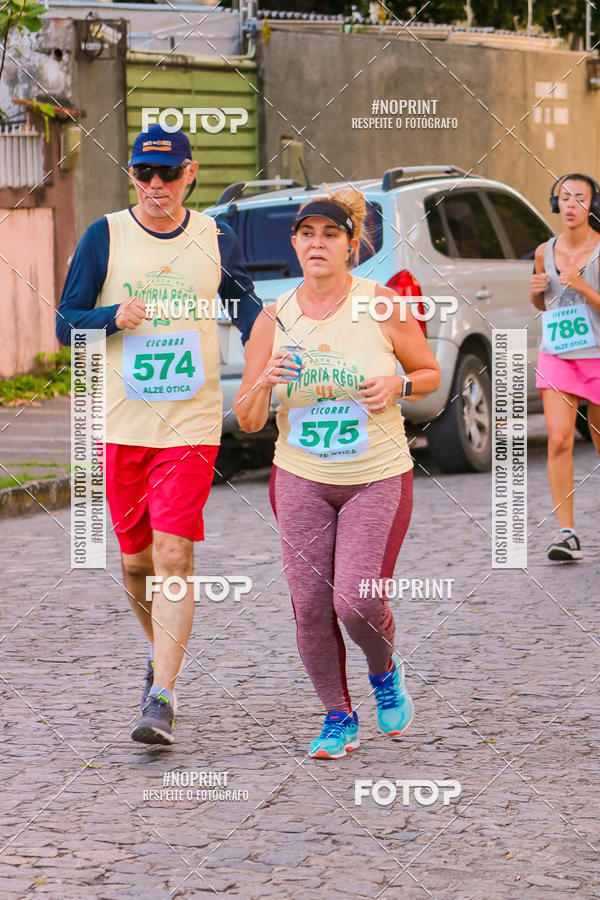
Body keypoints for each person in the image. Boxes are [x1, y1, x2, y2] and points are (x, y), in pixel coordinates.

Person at [56, 125, 262, 745]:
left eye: (167, 175)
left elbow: (248, 303)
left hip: (190, 424)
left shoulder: (213, 238)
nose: (155, 186)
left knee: (175, 555)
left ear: (189, 175)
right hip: (120, 422)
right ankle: (159, 657)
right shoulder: (105, 235)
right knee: (136, 564)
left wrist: (262, 360)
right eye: (144, 175)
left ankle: (163, 696)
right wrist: (111, 318)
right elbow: (67, 324)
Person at [234, 188, 440, 758]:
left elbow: (429, 373)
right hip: (300, 477)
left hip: (376, 475)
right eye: (307, 234)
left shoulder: (381, 304)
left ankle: (384, 671)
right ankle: (337, 716)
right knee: (309, 605)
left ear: (351, 245)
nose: (318, 244)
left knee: (355, 601)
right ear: (295, 243)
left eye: (331, 235)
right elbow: (248, 421)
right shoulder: (273, 319)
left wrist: (398, 384)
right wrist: (265, 380)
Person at [531, 173, 600, 561]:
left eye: (580, 197)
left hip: (598, 356)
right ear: (557, 203)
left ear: (592, 205)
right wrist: (535, 295)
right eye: (565, 197)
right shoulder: (544, 250)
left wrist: (583, 285)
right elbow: (544, 305)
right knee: (559, 439)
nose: (571, 204)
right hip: (557, 353)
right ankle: (567, 533)